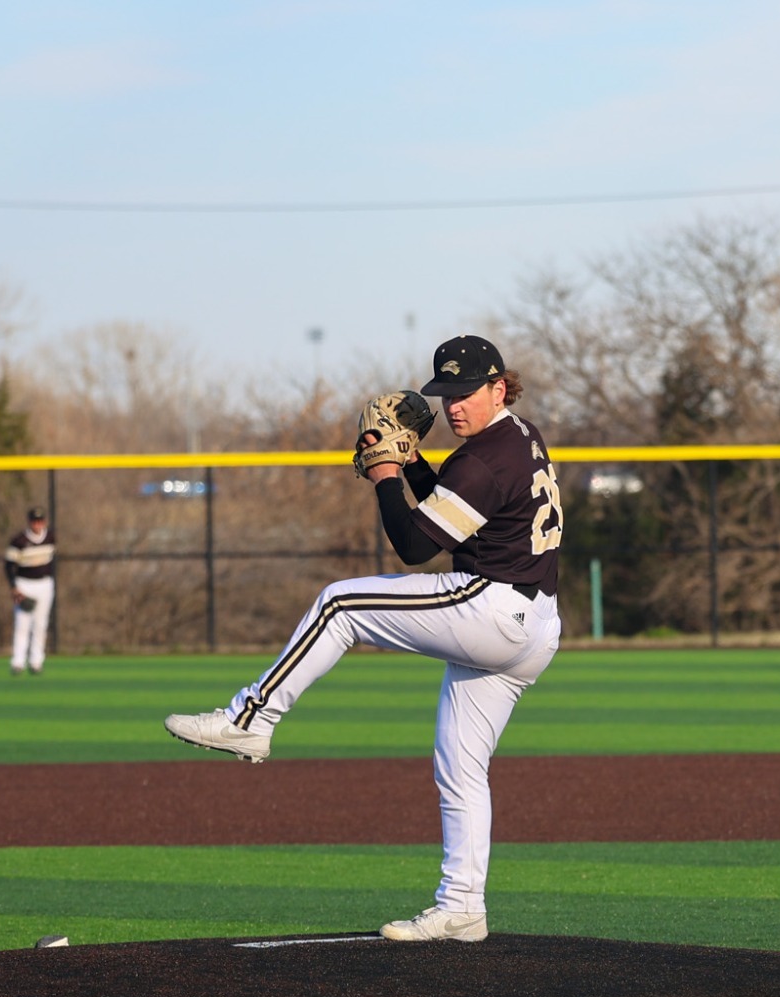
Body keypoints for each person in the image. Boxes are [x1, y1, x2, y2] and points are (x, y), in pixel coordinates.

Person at [165, 335, 563, 942]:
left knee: (341, 602)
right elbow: (450, 511)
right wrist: (411, 465)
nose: (453, 405)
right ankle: (463, 907)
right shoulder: (517, 436)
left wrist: (384, 473)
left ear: (499, 387)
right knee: (460, 766)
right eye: (446, 393)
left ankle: (252, 717)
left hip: (494, 607)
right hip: (534, 623)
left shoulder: (482, 460)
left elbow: (413, 546)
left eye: (466, 392)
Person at [6, 506, 55, 676]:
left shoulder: (50, 537)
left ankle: (36, 662)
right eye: (34, 521)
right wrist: (14, 587)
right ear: (29, 522)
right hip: (24, 584)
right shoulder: (18, 541)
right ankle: (18, 662)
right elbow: (9, 565)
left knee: (40, 625)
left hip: (44, 584)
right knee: (22, 624)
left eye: (40, 521)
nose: (37, 524)